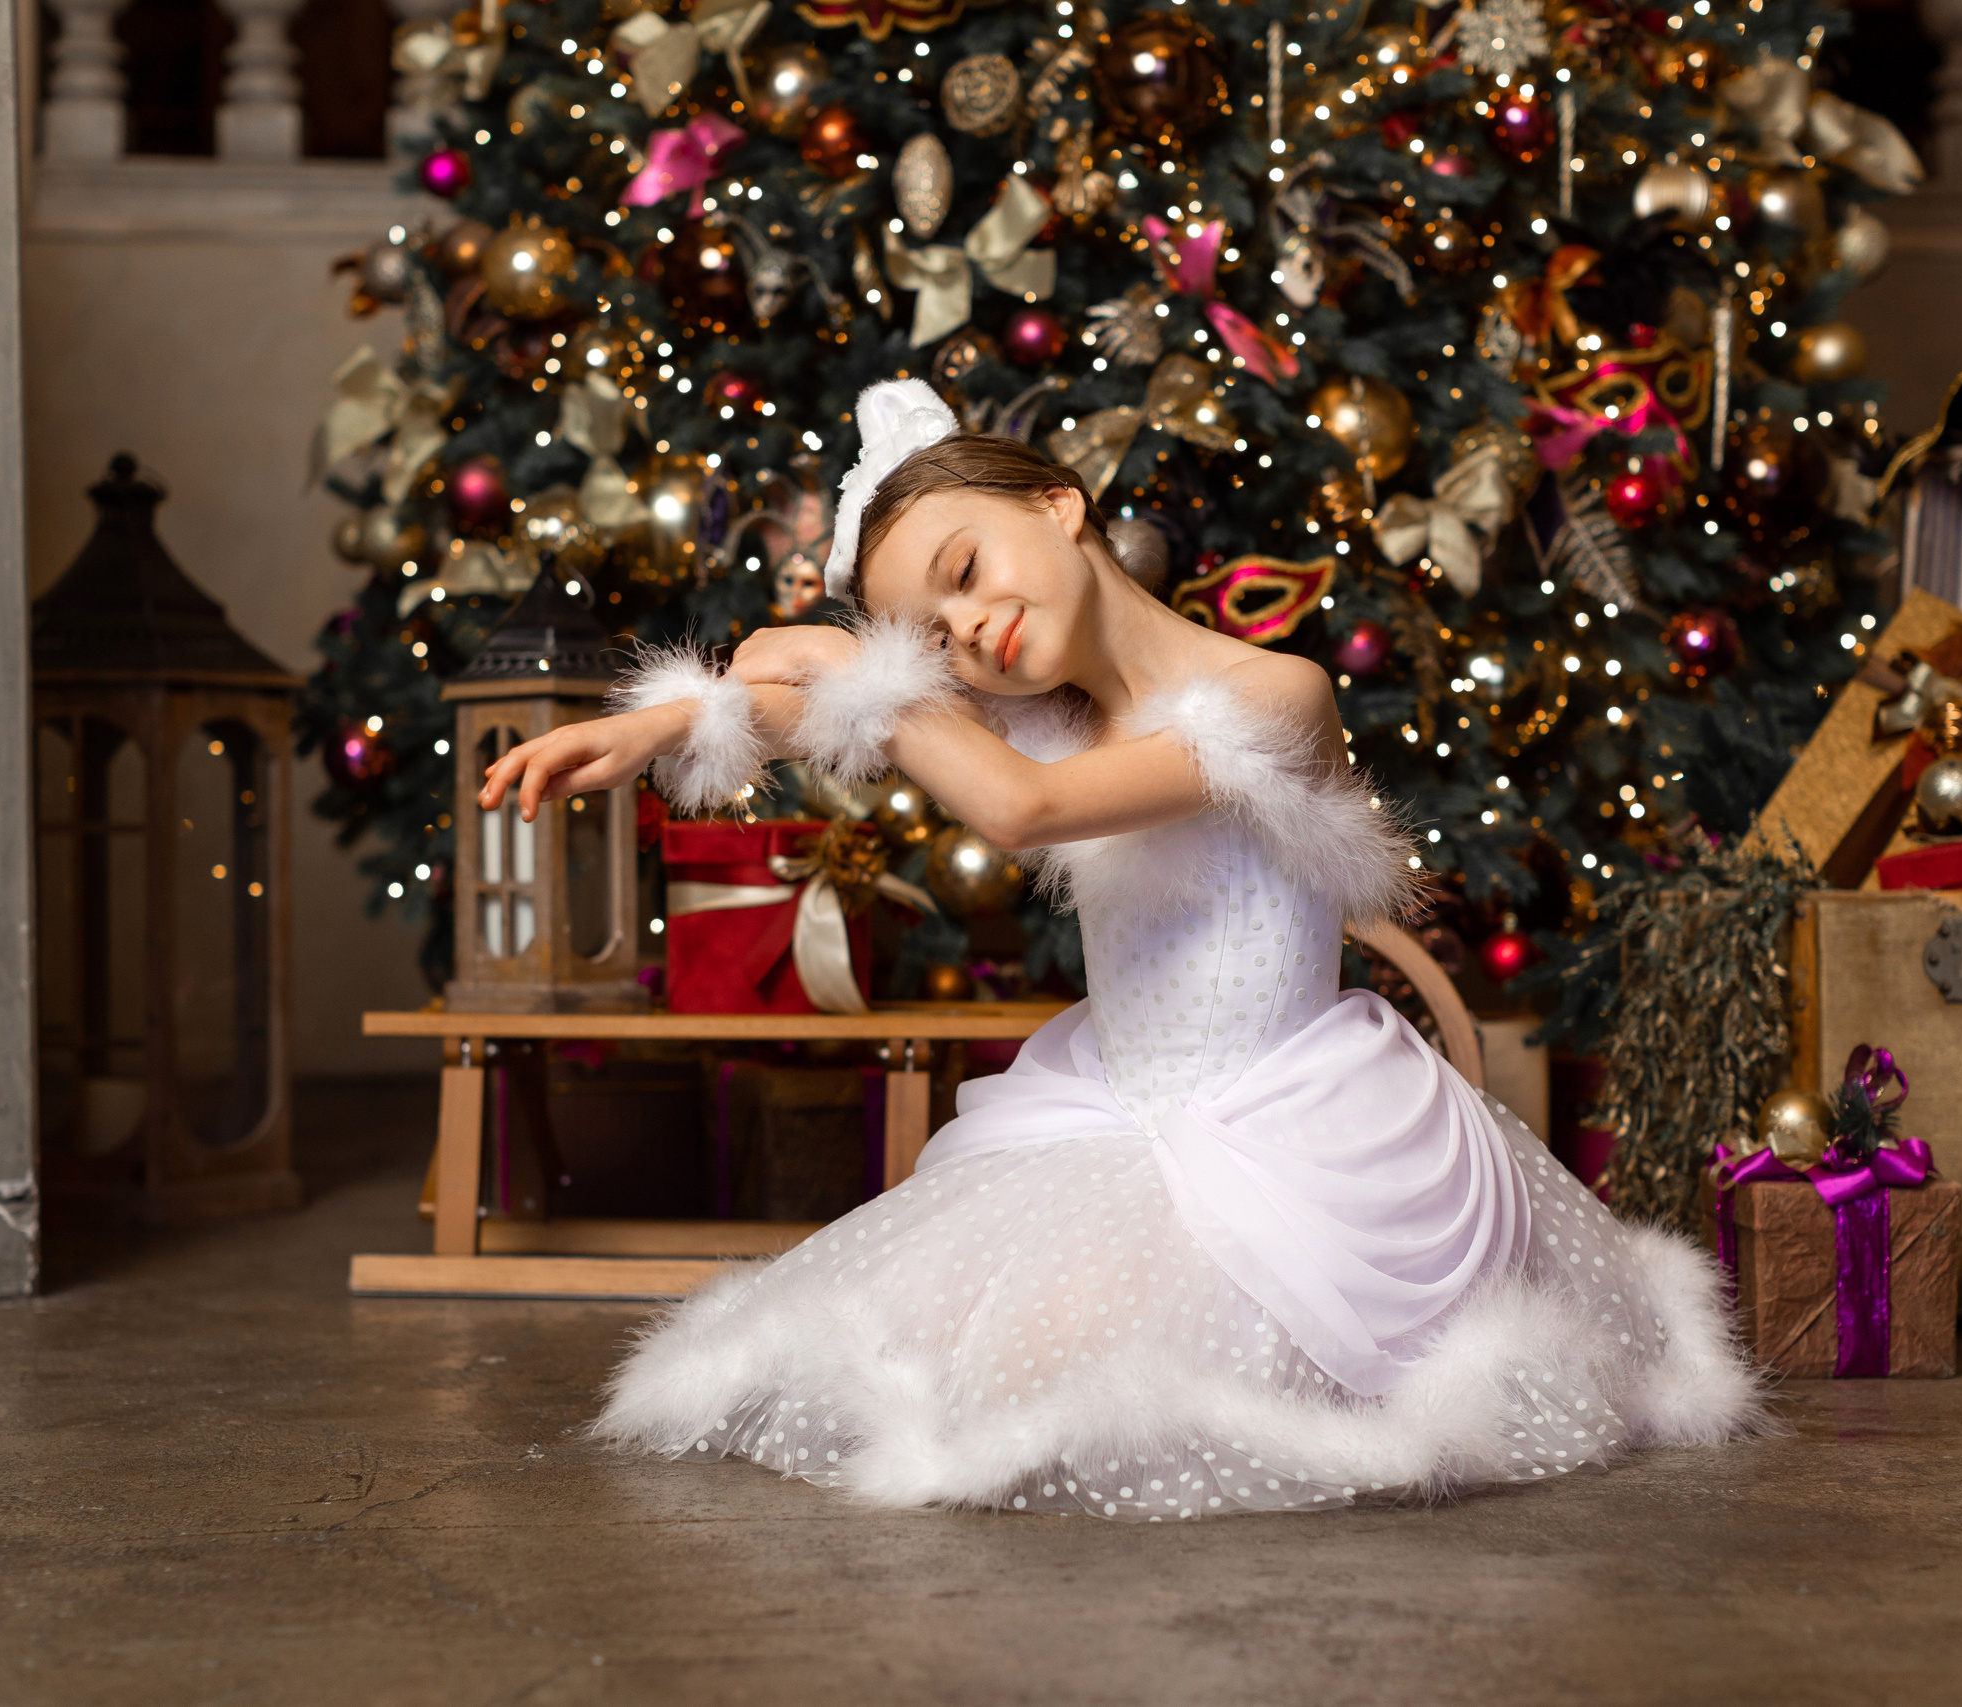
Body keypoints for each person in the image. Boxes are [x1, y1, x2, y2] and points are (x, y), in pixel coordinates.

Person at [476, 380, 1758, 1521]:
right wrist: (656, 728)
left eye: (966, 569)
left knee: (1173, 1380)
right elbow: (783, 696)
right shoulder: (1022, 719)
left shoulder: (1276, 695)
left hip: (1290, 1127)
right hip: (1112, 1114)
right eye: (931, 636)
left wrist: (847, 660)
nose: (967, 631)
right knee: (946, 1361)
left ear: (1060, 504)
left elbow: (1021, 809)